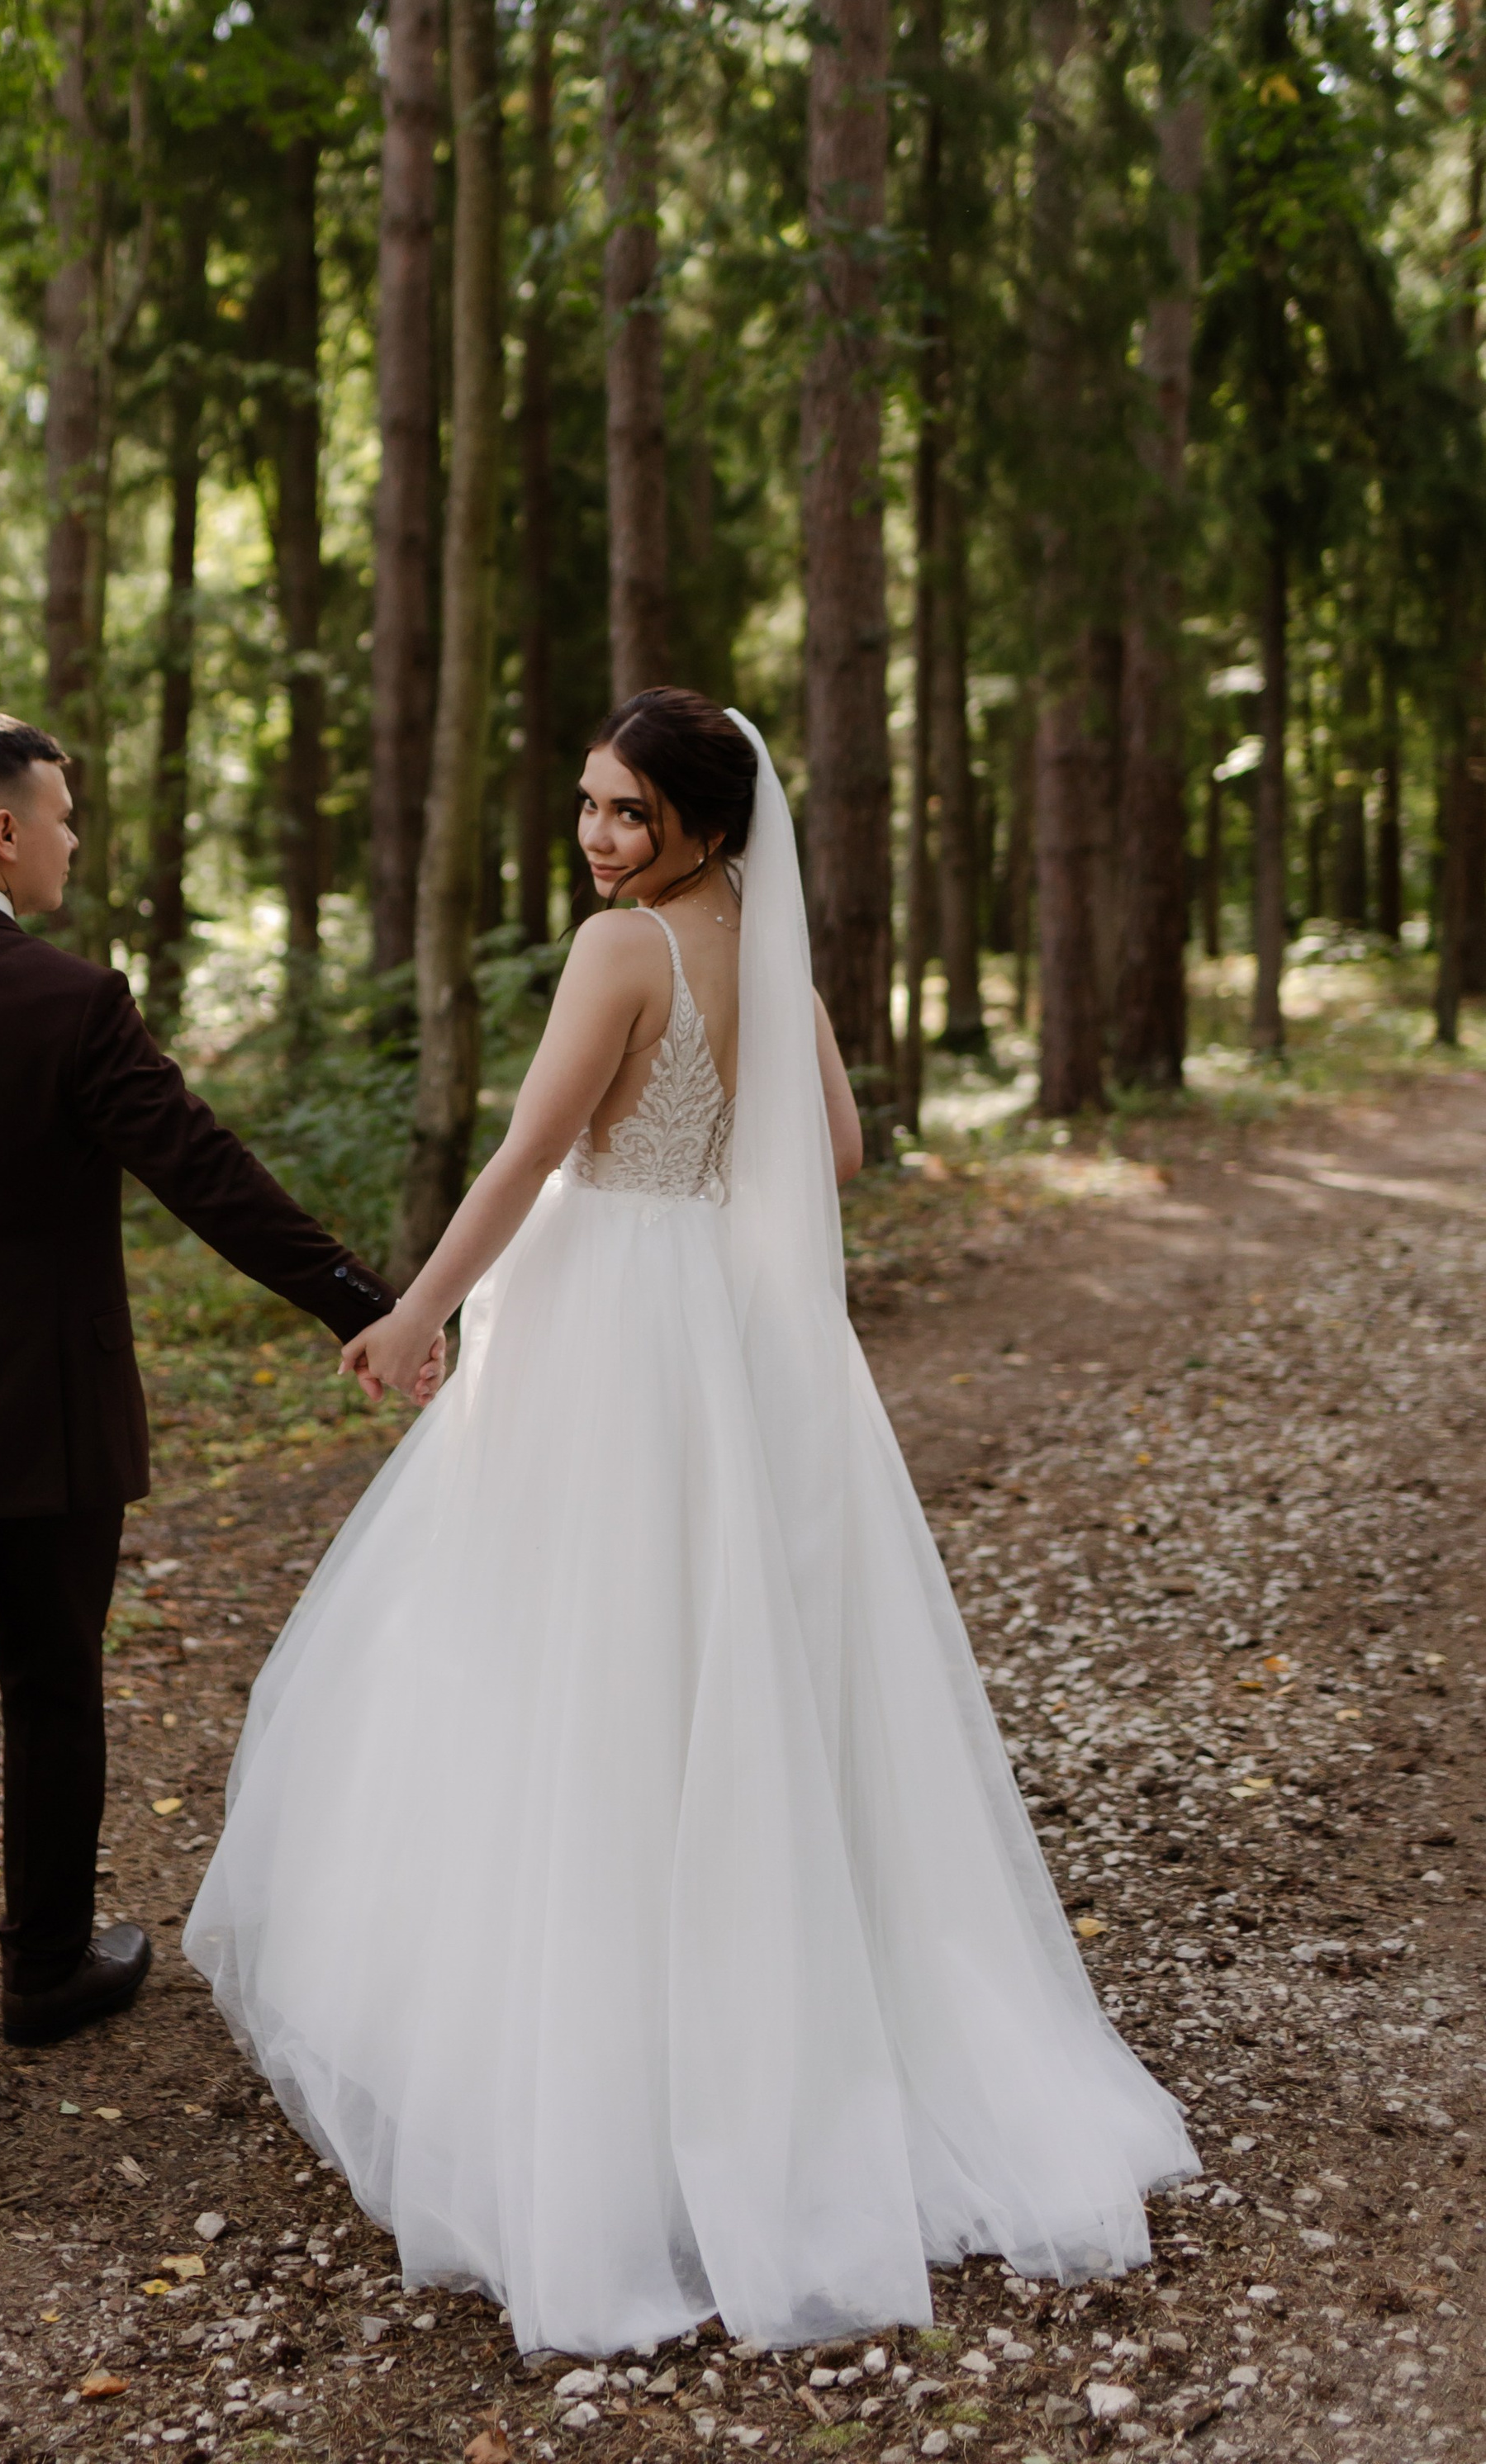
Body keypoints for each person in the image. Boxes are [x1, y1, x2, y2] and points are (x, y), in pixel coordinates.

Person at [186, 689, 1196, 2356]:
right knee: (725, 1667)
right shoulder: (765, 951)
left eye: (627, 815)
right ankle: (774, 2038)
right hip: (718, 1334)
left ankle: (593, 2093)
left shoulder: (619, 955)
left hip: (600, 1324)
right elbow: (842, 1150)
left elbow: (524, 1153)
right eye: (588, 805)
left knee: (573, 1659)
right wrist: (705, 1186)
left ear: (701, 828)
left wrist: (418, 1311)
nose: (596, 837)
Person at [0, 710, 430, 2198]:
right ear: (3, 833)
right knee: (56, 1689)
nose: (70, 842)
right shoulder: (71, 1005)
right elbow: (205, 1176)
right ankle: (48, 1971)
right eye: (62, 819)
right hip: (52, 1432)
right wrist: (376, 1305)